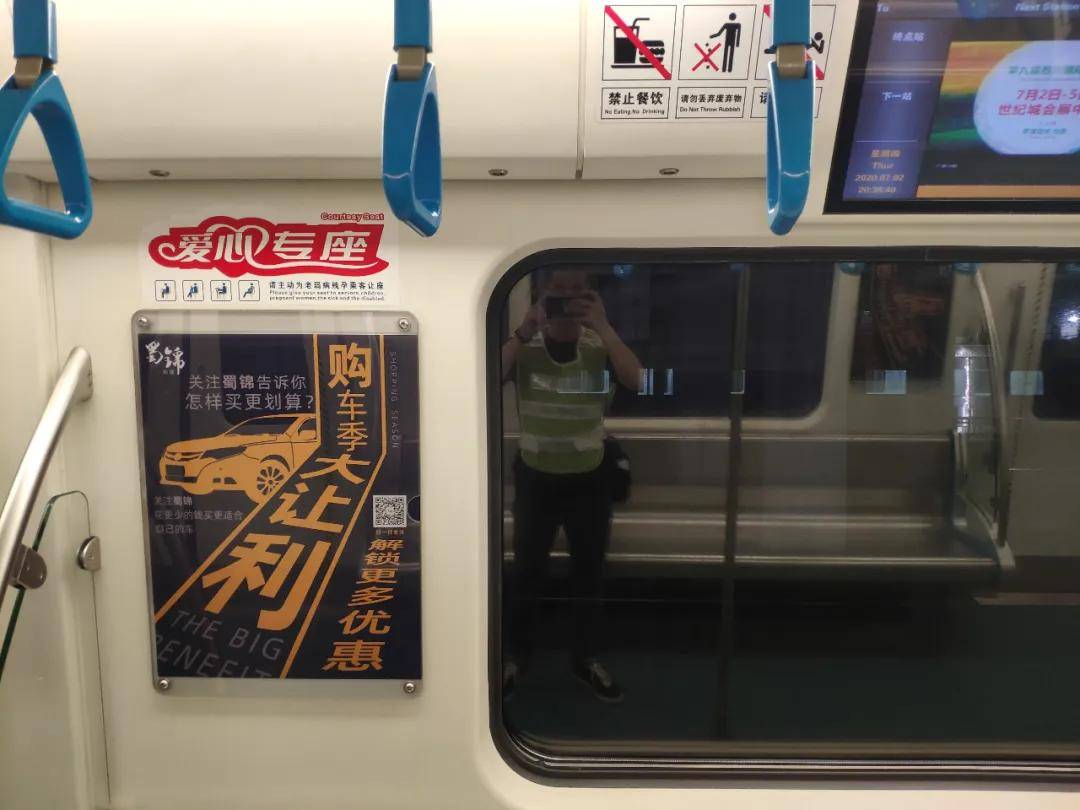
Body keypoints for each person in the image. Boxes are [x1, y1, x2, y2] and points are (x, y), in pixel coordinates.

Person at [500, 268, 643, 703]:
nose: (567, 300)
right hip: (536, 476)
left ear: (591, 297)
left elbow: (638, 380)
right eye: (558, 292)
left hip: (589, 477)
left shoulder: (598, 345)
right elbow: (487, 376)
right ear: (542, 295)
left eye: (577, 292)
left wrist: (604, 326)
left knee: (589, 574)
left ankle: (585, 658)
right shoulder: (526, 347)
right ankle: (516, 657)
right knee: (527, 573)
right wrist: (523, 330)